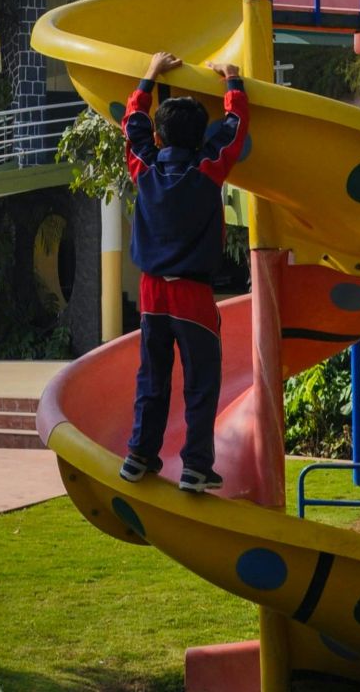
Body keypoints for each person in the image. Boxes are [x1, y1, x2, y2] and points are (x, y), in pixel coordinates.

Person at [117, 51, 249, 494]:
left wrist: (150, 75)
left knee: (152, 376)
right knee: (201, 382)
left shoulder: (145, 167)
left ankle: (139, 454)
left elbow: (132, 123)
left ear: (159, 136)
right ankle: (195, 466)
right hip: (192, 293)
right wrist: (232, 81)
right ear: (200, 139)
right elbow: (234, 129)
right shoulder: (208, 168)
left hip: (152, 291)